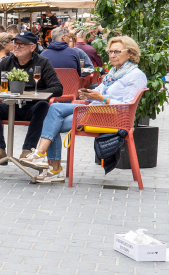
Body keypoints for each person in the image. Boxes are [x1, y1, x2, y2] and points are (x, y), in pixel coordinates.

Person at [21, 36, 147, 182]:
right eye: (111, 51)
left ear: (130, 53)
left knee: (51, 122)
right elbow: (99, 91)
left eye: (117, 51)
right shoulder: (113, 73)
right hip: (95, 109)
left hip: (111, 117)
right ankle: (43, 156)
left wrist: (102, 99)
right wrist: (87, 95)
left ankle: (49, 164)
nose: (112, 55)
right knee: (54, 109)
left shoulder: (136, 75)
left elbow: (127, 106)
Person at [0, 31, 63, 163]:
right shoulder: (7, 62)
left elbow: (58, 88)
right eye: (15, 43)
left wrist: (36, 94)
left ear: (32, 47)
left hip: (32, 108)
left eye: (22, 44)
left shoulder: (42, 63)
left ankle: (28, 150)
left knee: (43, 106)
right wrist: (4, 95)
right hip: (10, 105)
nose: (17, 46)